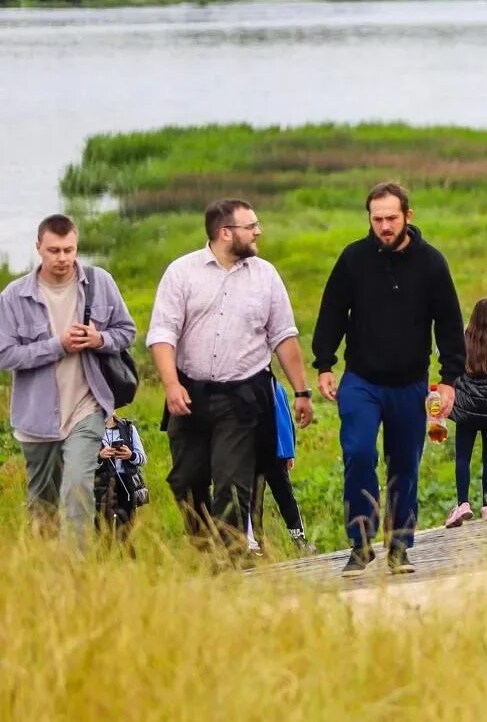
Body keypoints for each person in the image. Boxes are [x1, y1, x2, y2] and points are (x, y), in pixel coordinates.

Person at [312, 182, 464, 576]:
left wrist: (449, 379)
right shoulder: (353, 259)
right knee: (359, 453)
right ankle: (360, 545)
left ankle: (399, 546)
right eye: (377, 219)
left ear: (407, 216)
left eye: (391, 218)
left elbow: (449, 324)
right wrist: (325, 364)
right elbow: (331, 313)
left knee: (405, 465)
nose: (384, 226)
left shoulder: (431, 263)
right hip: (362, 380)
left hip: (411, 384)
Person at [150, 200, 312, 556]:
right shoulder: (182, 273)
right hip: (190, 393)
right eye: (251, 226)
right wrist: (171, 384)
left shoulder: (265, 275)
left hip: (243, 397)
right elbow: (162, 334)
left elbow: (283, 336)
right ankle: (207, 547)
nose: (258, 231)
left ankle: (232, 560)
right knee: (185, 481)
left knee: (232, 483)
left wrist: (302, 391)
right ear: (225, 233)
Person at [2, 215, 138, 542]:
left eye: (69, 250)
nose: (62, 258)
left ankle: (78, 568)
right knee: (43, 503)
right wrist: (57, 346)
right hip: (36, 417)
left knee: (78, 486)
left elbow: (127, 331)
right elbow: (5, 355)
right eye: (54, 251)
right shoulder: (13, 296)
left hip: (87, 407)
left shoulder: (99, 281)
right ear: (38, 248)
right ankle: (49, 574)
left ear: (76, 247)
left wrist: (99, 339)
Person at [445, 297, 487, 528]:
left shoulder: (462, 344)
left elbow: (442, 357)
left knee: (463, 456)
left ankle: (463, 504)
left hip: (466, 409)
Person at [249, 378, 308, 553]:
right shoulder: (244, 390)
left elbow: (286, 422)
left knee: (285, 497)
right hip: (254, 456)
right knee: (254, 501)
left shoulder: (276, 388)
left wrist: (289, 452)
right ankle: (257, 544)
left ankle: (299, 538)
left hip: (277, 454)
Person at [93, 414, 149, 542]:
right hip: (102, 484)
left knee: (127, 530)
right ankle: (104, 559)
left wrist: (130, 455)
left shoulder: (128, 428)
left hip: (126, 484)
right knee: (102, 529)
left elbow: (143, 459)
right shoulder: (90, 430)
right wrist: (100, 456)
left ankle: (128, 560)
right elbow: (84, 464)